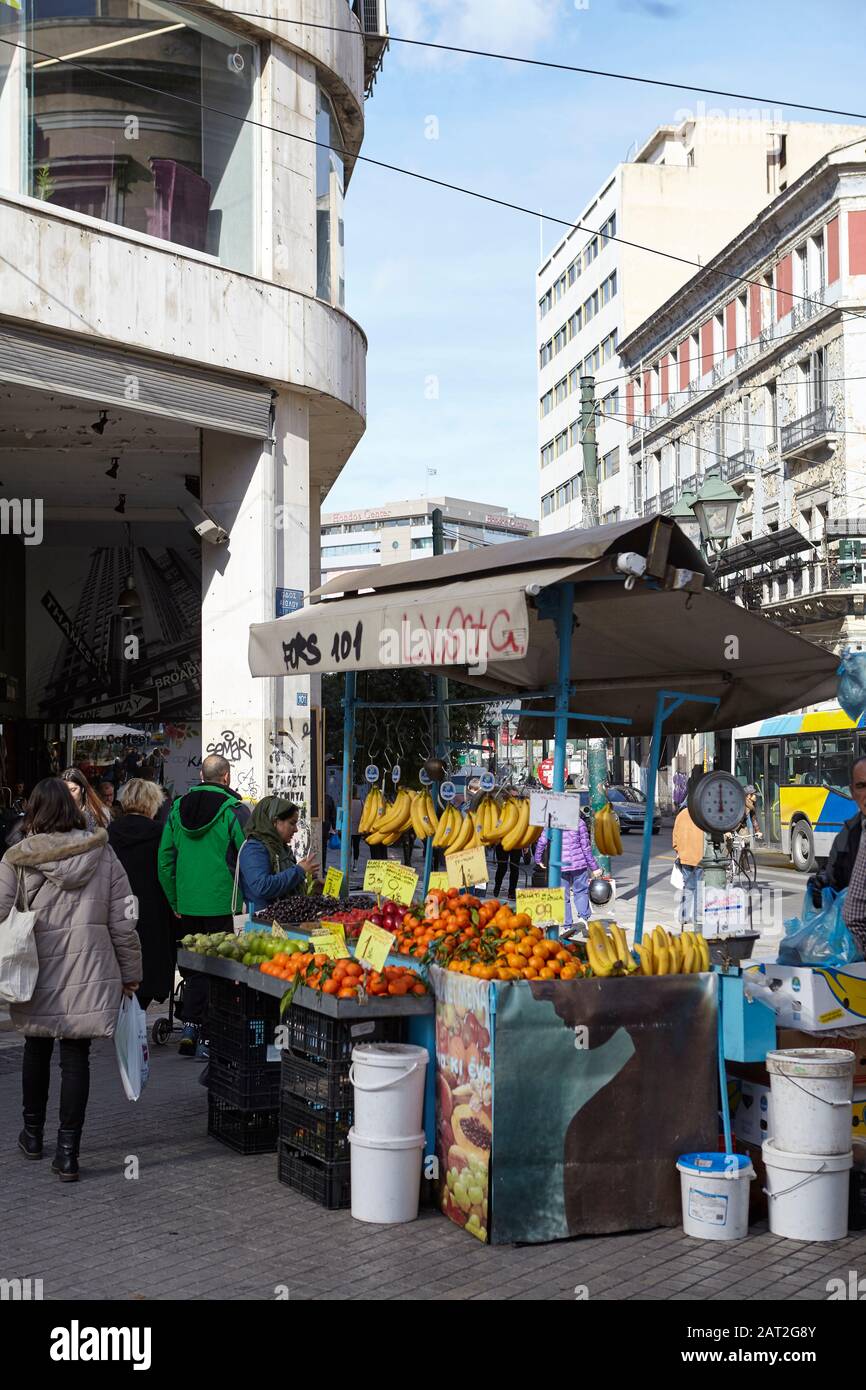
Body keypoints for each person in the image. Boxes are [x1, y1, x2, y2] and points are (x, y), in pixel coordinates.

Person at [0, 778, 141, 1181]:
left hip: (36, 966)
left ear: (35, 811)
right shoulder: (104, 852)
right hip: (90, 969)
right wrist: (131, 973)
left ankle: (31, 1134)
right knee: (76, 1057)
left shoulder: (17, 857)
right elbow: (124, 919)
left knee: (36, 1048)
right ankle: (67, 1153)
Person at [157, 753, 251, 1056]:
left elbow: (164, 861)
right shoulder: (234, 812)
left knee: (194, 968)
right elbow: (247, 856)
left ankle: (189, 1026)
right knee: (221, 971)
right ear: (226, 777)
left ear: (201, 776)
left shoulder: (175, 810)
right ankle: (210, 1037)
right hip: (224, 903)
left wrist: (175, 900)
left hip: (187, 904)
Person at [108, 778, 175, 1014]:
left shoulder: (109, 833)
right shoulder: (162, 833)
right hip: (153, 906)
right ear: (153, 802)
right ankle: (137, 1010)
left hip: (117, 906)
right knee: (150, 960)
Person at [810, 756, 866, 955]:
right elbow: (835, 885)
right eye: (862, 786)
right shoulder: (848, 834)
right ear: (852, 792)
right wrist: (821, 887)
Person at [237, 797, 319, 916]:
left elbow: (284, 884)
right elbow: (262, 887)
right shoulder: (254, 848)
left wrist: (311, 887)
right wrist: (299, 870)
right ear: (274, 821)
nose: (296, 829)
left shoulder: (281, 847)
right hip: (264, 922)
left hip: (283, 918)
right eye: (292, 823)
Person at [533, 820, 602, 925]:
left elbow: (542, 842)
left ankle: (567, 924)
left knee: (562, 896)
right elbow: (586, 848)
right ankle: (583, 918)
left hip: (560, 866)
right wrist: (594, 867)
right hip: (579, 865)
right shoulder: (579, 822)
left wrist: (538, 859)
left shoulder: (552, 822)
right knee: (581, 891)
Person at [672, 802, 704, 926]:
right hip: (700, 857)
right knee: (699, 888)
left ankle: (683, 916)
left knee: (688, 887)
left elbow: (675, 836)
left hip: (685, 857)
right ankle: (697, 917)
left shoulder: (681, 815)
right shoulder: (702, 815)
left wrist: (678, 850)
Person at [61, 767, 111, 831]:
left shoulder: (99, 813)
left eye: (73, 790)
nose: (69, 795)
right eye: (65, 790)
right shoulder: (58, 812)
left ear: (82, 789)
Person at [350, 792, 363, 869]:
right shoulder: (361, 802)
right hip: (358, 829)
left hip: (348, 829)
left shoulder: (346, 802)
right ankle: (355, 864)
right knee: (356, 847)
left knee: (348, 847)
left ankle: (349, 863)